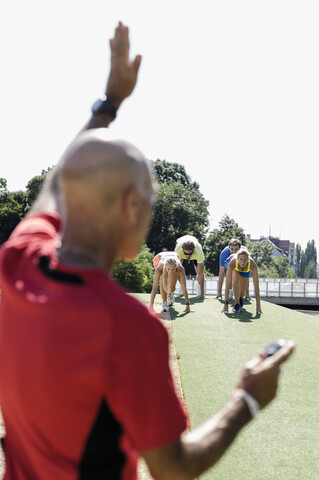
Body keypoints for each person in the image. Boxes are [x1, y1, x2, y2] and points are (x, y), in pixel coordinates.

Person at [0, 22, 295, 480]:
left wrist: (109, 103)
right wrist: (248, 399)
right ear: (130, 205)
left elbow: (61, 181)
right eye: (151, 200)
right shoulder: (127, 327)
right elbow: (173, 468)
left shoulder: (19, 258)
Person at [222, 248, 262, 314]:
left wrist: (258, 307)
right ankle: (237, 304)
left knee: (242, 294)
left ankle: (240, 298)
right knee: (236, 275)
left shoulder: (253, 265)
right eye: (240, 259)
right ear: (237, 259)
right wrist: (226, 304)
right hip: (232, 265)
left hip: (245, 270)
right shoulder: (232, 263)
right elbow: (228, 284)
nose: (242, 262)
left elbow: (256, 286)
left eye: (245, 259)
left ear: (248, 259)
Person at [174, 234, 205, 299]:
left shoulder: (198, 252)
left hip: (195, 246)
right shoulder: (178, 251)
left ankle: (200, 290)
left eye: (190, 254)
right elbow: (174, 271)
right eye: (186, 253)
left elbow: (200, 274)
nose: (188, 256)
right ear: (183, 251)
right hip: (180, 244)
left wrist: (202, 294)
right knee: (177, 270)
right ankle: (181, 288)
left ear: (193, 251)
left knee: (199, 272)